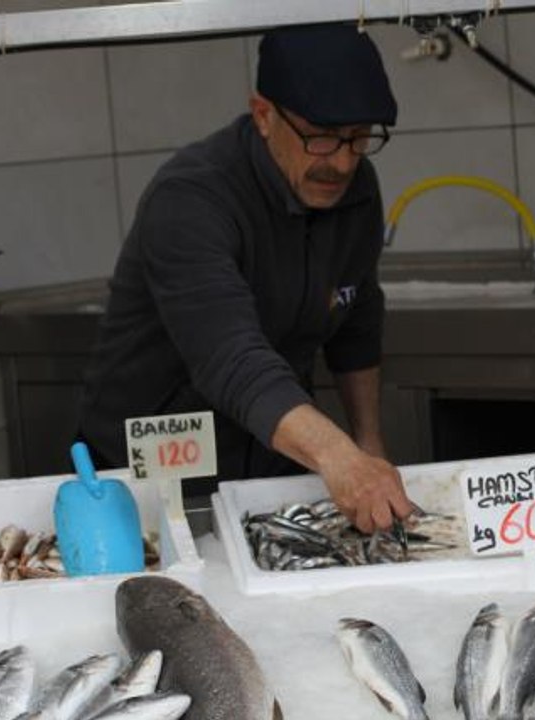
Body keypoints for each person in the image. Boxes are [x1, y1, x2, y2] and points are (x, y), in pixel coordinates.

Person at [78, 24, 413, 533]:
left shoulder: (355, 186)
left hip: (272, 464)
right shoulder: (191, 198)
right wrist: (337, 456)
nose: (342, 162)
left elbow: (355, 319)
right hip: (150, 477)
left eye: (360, 138)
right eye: (321, 138)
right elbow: (229, 359)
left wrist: (368, 444)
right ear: (263, 115)